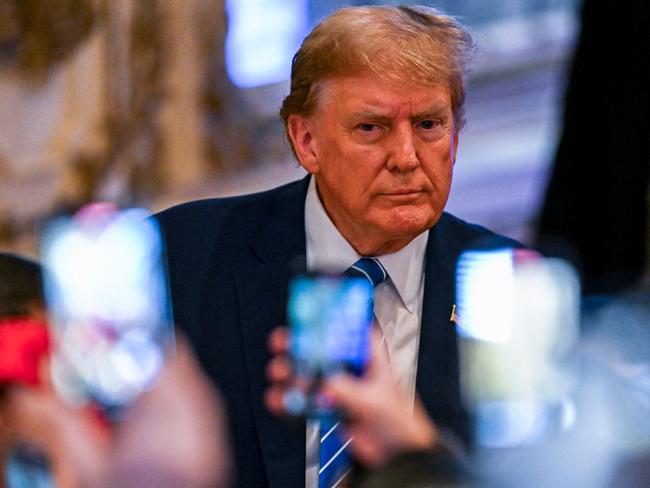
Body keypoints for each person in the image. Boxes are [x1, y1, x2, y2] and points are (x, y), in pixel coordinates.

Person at [156, 5, 519, 488]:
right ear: (306, 141)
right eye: (371, 128)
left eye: (430, 125)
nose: (407, 158)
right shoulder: (179, 259)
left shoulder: (511, 285)